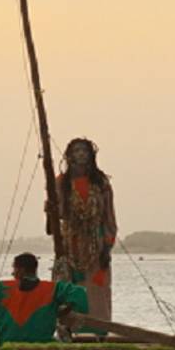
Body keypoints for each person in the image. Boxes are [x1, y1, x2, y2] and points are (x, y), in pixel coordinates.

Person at [53, 138, 118, 326]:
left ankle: (99, 329)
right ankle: (70, 329)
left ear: (91, 155)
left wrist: (107, 246)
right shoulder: (61, 182)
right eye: (77, 150)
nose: (81, 154)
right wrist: (50, 209)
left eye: (84, 150)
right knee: (70, 287)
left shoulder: (101, 182)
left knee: (97, 289)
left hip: (96, 244)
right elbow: (58, 216)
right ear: (70, 156)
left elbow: (109, 216)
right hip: (71, 244)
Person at [0, 252, 88, 345]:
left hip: (7, 347)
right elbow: (79, 293)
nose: (13, 273)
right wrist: (64, 310)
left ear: (21, 270)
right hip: (42, 347)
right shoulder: (53, 288)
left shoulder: (1, 289)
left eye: (14, 269)